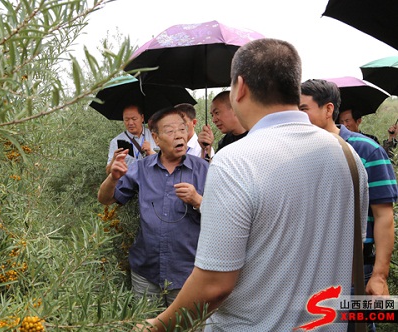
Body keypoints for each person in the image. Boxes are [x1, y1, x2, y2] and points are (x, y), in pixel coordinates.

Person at [138, 38, 369, 332]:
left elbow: (214, 286)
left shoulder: (237, 161)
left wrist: (155, 327)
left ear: (241, 87)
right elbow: (350, 248)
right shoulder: (348, 157)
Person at [98, 107, 209, 307]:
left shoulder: (204, 170)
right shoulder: (141, 168)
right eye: (170, 131)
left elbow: (223, 215)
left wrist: (197, 200)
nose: (178, 135)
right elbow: (105, 199)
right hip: (146, 272)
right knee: (146, 326)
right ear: (156, 139)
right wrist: (112, 178)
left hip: (188, 272)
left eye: (182, 129)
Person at [300, 79, 397, 294]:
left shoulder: (366, 150)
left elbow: (383, 216)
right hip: (308, 267)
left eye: (304, 109)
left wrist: (379, 276)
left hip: (355, 267)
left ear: (328, 109)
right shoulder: (299, 152)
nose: (298, 116)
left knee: (354, 326)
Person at [105, 105, 157, 174]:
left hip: (152, 180)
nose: (130, 123)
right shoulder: (116, 142)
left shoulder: (154, 136)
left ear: (142, 118)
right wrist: (114, 159)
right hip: (129, 183)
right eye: (126, 119)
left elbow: (165, 161)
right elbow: (108, 172)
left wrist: (150, 152)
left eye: (134, 119)